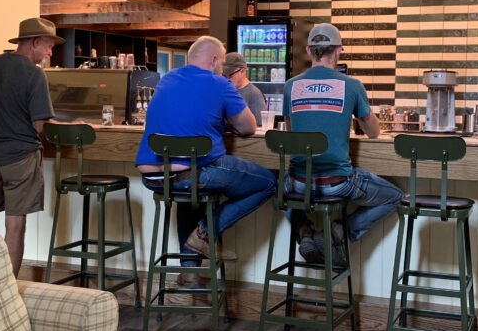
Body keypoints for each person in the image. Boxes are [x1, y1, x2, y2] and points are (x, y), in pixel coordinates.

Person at [135, 36, 276, 269]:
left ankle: (189, 273)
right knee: (269, 183)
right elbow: (248, 127)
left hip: (154, 176)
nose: (222, 69)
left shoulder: (166, 79)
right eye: (221, 64)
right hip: (191, 172)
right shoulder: (220, 84)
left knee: (190, 198)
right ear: (213, 60)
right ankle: (204, 233)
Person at [284, 22, 404, 267]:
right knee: (397, 197)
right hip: (336, 185)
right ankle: (340, 230)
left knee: (276, 188)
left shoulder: (290, 86)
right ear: (339, 51)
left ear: (308, 50)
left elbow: (290, 133)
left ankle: (305, 231)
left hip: (297, 183)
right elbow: (372, 133)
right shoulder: (352, 86)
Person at [0, 16, 61, 275]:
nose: (50, 53)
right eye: (48, 46)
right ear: (34, 42)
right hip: (20, 158)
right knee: (15, 224)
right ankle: (9, 289)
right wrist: (74, 126)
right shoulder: (34, 74)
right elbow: (40, 125)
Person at [222, 51, 266, 126]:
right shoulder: (226, 90)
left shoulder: (254, 94)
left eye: (230, 75)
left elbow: (259, 126)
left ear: (242, 71)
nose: (227, 79)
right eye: (224, 76)